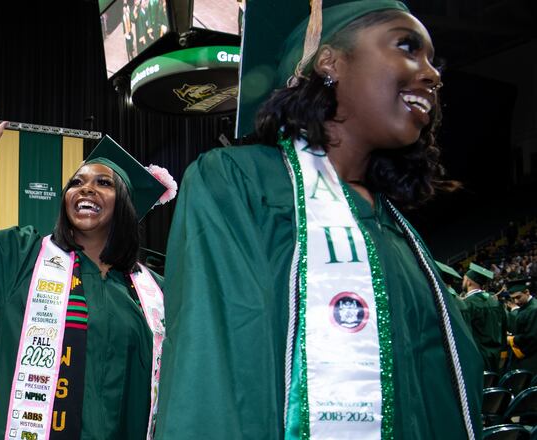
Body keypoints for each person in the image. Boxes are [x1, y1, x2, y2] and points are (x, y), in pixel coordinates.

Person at [157, 1, 482, 438]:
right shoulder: (241, 183)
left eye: (432, 61)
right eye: (407, 47)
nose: (432, 74)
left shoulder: (398, 231)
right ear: (329, 61)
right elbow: (211, 368)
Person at [0, 94, 174, 440]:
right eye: (76, 182)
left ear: (126, 206)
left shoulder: (153, 292)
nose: (86, 189)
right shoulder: (20, 258)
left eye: (103, 183)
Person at [461, 263, 507, 371]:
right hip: (496, 356)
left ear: (469, 282)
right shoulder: (496, 303)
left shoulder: (467, 304)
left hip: (476, 358)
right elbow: (504, 328)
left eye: (464, 279)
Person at [506, 278, 537, 371]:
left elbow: (532, 337)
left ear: (527, 292)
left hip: (530, 357)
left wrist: (511, 339)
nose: (516, 301)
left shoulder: (534, 309)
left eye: (518, 297)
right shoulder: (526, 306)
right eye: (513, 298)